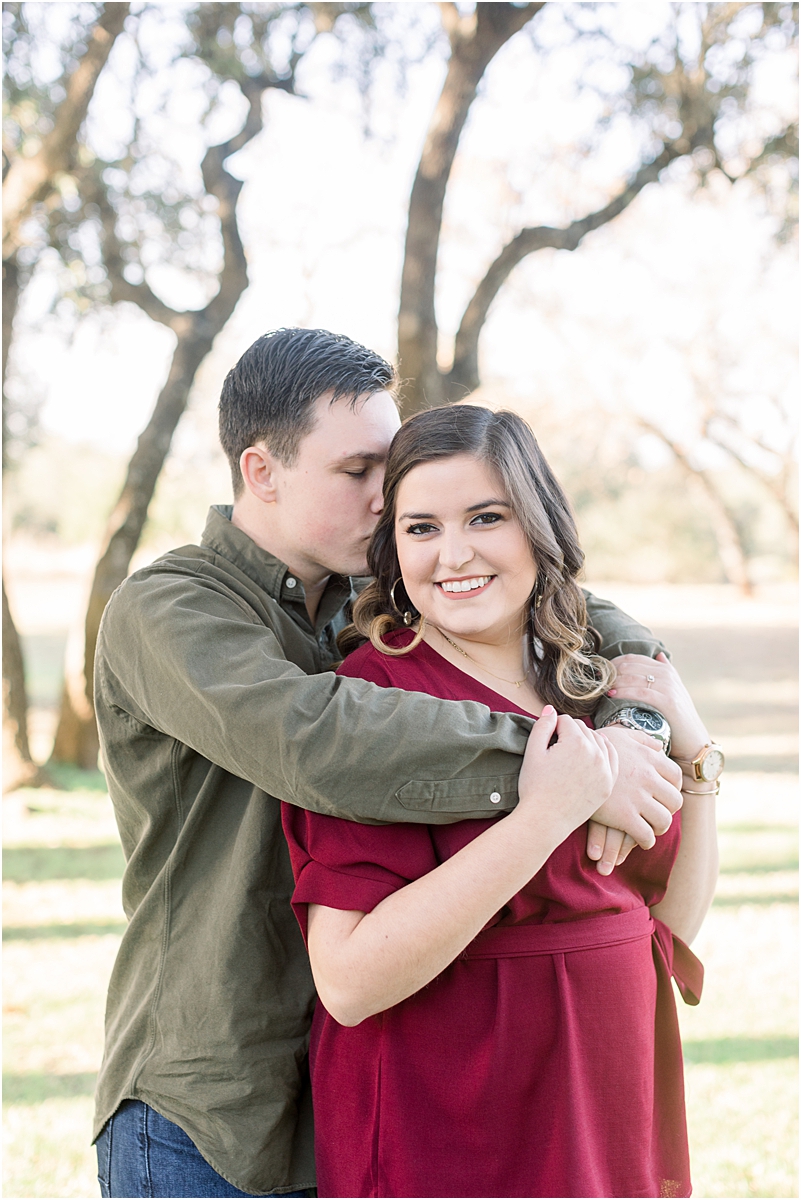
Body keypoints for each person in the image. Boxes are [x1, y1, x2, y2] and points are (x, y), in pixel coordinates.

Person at [92, 328, 684, 1198]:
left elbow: (563, 597)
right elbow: (318, 740)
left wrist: (639, 714)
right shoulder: (169, 608)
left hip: (365, 1088)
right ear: (262, 472)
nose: (386, 496)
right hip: (210, 1105)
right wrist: (567, 766)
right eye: (357, 471)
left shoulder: (371, 606)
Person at [282, 405, 720, 1199]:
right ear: (392, 550)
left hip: (608, 1095)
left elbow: (660, 931)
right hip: (448, 1118)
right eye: (421, 528)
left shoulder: (595, 684)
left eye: (487, 517)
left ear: (538, 524)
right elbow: (347, 983)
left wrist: (696, 759)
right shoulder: (373, 702)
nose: (454, 555)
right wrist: (543, 816)